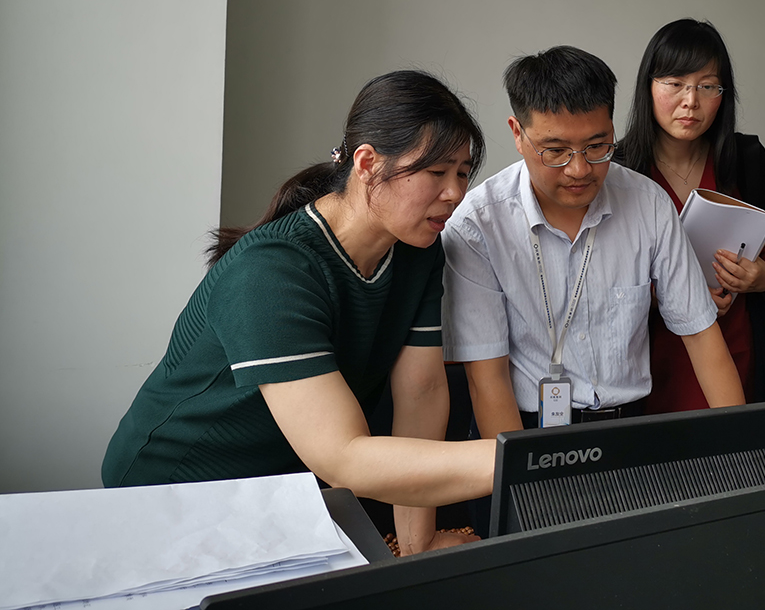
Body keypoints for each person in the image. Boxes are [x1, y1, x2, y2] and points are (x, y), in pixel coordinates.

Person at [102, 71, 496, 555]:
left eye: (463, 173)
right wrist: (518, 460)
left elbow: (422, 394)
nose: (455, 193)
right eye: (437, 172)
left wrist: (417, 547)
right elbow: (343, 457)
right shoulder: (271, 270)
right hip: (176, 487)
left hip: (280, 489)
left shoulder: (418, 250)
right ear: (367, 163)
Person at [441, 45, 745, 439]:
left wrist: (742, 444)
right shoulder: (478, 225)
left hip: (629, 427)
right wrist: (521, 468)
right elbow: (487, 381)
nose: (579, 169)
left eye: (597, 146)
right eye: (556, 151)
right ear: (518, 133)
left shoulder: (648, 204)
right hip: (523, 428)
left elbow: (702, 337)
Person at [617, 19, 765, 411]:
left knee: (737, 440)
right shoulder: (619, 170)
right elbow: (601, 277)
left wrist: (762, 276)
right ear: (648, 86)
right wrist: (670, 297)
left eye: (707, 86)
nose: (691, 101)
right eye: (675, 83)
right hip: (651, 356)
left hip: (738, 344)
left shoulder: (745, 158)